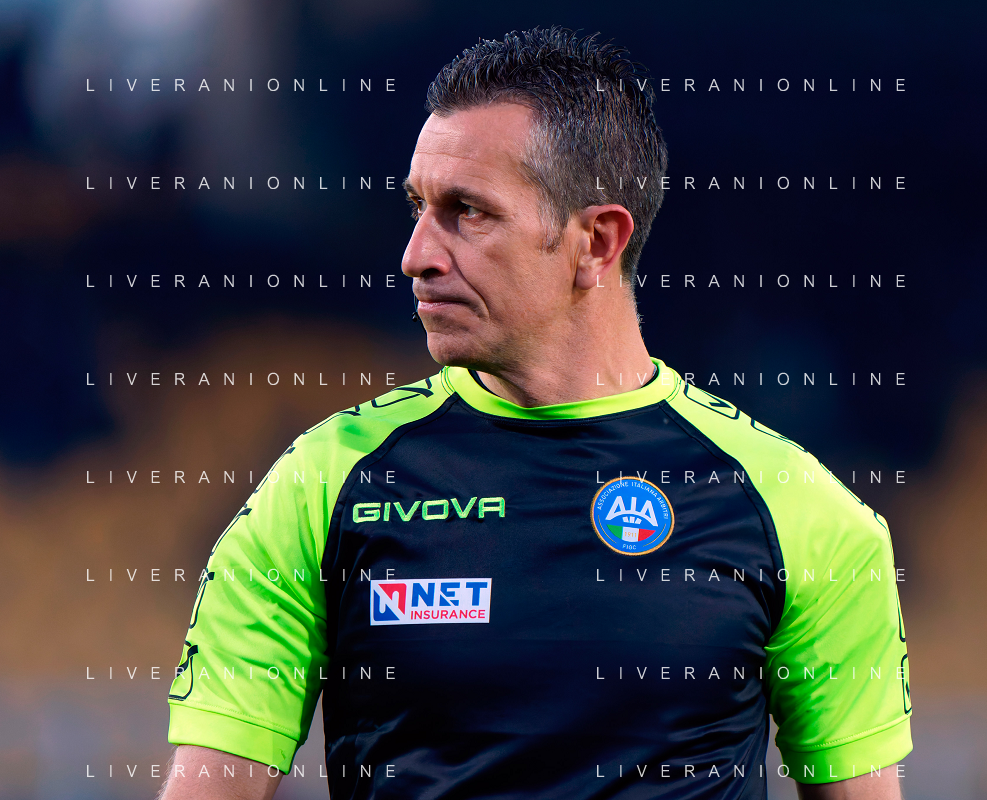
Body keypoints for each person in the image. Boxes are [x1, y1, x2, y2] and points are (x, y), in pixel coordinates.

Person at [159, 26, 911, 800]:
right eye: (418, 207)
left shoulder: (796, 510)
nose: (416, 254)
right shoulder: (325, 484)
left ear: (596, 242)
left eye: (467, 212)